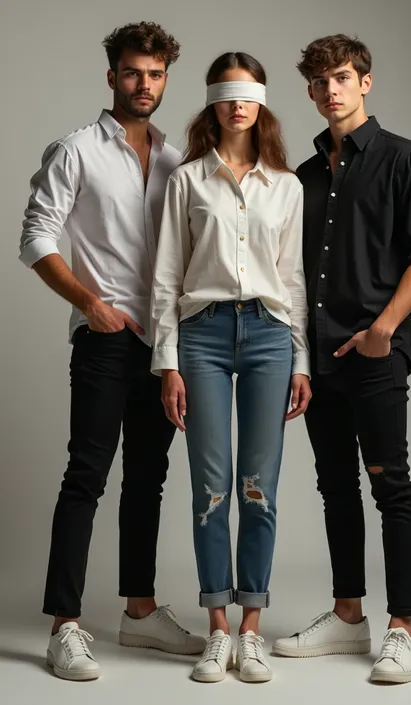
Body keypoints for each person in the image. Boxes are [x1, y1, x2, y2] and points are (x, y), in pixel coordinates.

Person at [19, 21, 206, 682]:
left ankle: (139, 607)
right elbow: (36, 237)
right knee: (86, 477)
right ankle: (63, 624)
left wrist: (178, 351)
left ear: (165, 78)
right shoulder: (76, 150)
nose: (144, 84)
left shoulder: (178, 158)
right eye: (133, 72)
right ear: (112, 76)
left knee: (149, 480)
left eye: (155, 74)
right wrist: (89, 304)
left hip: (161, 346)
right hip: (102, 341)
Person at [273, 34, 411, 684]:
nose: (330, 91)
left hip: (375, 355)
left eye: (341, 77)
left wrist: (385, 327)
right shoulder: (305, 176)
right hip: (318, 362)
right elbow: (291, 271)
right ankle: (348, 615)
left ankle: (402, 628)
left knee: (389, 485)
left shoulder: (405, 159)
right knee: (335, 488)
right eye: (319, 82)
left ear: (365, 81)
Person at [151, 51, 311, 683]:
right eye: (227, 94)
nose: (238, 104)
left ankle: (253, 626)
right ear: (212, 103)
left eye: (248, 95)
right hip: (205, 335)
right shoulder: (187, 181)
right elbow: (166, 277)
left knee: (260, 487)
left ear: (262, 103)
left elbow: (293, 280)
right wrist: (168, 363)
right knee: (211, 486)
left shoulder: (288, 186)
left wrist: (301, 358)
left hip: (270, 335)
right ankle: (217, 625)